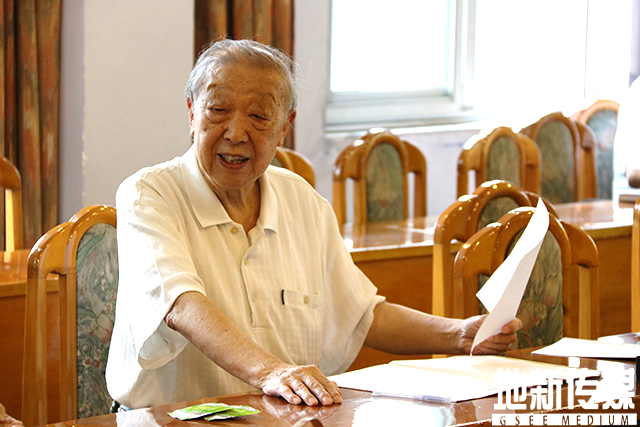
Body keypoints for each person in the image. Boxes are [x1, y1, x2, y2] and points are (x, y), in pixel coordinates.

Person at [105, 38, 520, 410]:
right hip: (170, 422)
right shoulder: (149, 194)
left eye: (258, 116)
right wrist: (271, 372)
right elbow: (180, 305)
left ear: (285, 128)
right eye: (218, 110)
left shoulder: (302, 201)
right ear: (192, 113)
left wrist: (459, 334)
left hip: (282, 419)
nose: (235, 132)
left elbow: (360, 315)